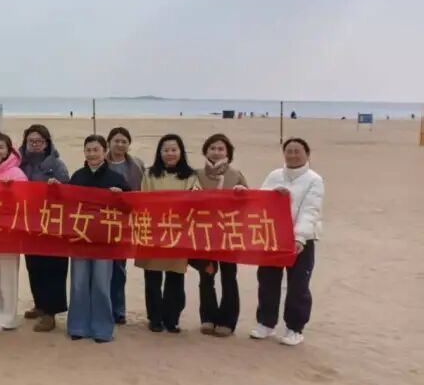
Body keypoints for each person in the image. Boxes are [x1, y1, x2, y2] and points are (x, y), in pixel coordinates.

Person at [251, 138, 324, 346]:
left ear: (307, 154)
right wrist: (274, 194)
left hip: (302, 240)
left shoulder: (314, 180)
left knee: (298, 285)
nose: (292, 155)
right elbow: (260, 200)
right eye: (289, 151)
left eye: (297, 151)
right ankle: (266, 323)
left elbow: (310, 210)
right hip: (273, 237)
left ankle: (295, 328)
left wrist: (300, 237)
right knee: (267, 281)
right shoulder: (275, 175)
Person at [68, 135, 129, 343]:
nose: (92, 154)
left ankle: (102, 328)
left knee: (102, 284)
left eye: (96, 150)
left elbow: (130, 207)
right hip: (80, 238)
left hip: (105, 241)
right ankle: (78, 326)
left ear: (104, 152)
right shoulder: (77, 177)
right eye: (88, 150)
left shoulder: (116, 178)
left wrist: (121, 196)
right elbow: (65, 205)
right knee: (79, 283)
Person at [136, 134, 200, 333]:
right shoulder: (149, 174)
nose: (170, 153)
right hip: (154, 232)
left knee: (175, 279)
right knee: (152, 279)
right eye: (166, 150)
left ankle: (172, 319)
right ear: (159, 152)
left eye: (174, 149)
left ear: (181, 152)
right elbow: (143, 200)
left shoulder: (190, 175)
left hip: (178, 234)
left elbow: (195, 201)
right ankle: (155, 318)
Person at [196, 133, 249, 337]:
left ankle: (227, 320)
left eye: (220, 149)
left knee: (229, 277)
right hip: (204, 233)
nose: (216, 152)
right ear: (206, 151)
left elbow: (250, 204)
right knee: (206, 275)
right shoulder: (197, 175)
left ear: (228, 152)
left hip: (229, 234)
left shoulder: (236, 175)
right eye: (212, 148)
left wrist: (242, 192)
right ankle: (208, 317)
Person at [19, 124, 70, 331]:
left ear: (46, 143)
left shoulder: (57, 164)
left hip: (52, 224)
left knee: (53, 269)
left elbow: (68, 192)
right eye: (31, 141)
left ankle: (51, 313)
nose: (35, 144)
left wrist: (58, 187)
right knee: (34, 266)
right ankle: (40, 304)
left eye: (39, 141)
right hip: (29, 223)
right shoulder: (20, 164)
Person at [0, 132, 27, 332]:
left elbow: (25, 202)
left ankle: (6, 317)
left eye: (1, 147)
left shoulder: (17, 173)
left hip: (8, 232)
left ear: (9, 150)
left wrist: (11, 190)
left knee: (6, 273)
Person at [105, 127, 145, 324]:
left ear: (129, 144)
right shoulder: (100, 161)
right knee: (102, 268)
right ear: (109, 143)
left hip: (125, 222)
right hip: (102, 222)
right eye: (116, 141)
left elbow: (143, 191)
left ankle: (118, 310)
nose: (120, 145)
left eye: (124, 141)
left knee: (119, 269)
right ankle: (102, 308)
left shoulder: (137, 166)